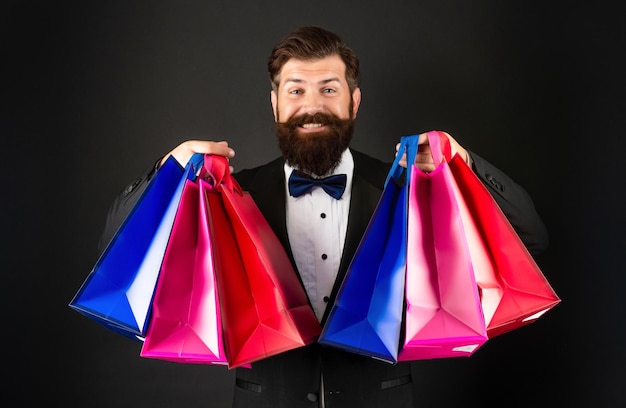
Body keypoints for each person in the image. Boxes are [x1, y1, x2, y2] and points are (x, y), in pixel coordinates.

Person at [99, 26, 548, 408]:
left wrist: (461, 163)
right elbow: (115, 249)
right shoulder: (232, 194)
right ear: (275, 104)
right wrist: (167, 172)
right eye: (296, 90)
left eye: (328, 89)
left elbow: (530, 236)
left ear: (354, 101)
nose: (312, 105)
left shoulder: (410, 185)